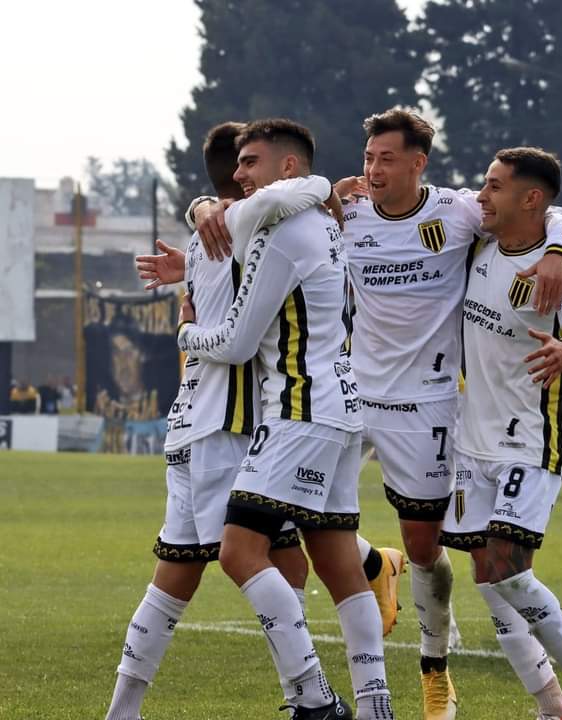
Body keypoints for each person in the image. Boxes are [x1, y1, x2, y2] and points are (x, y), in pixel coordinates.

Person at [189, 108, 562, 720]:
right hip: (347, 394)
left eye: (386, 159)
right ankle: (372, 574)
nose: (372, 169)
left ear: (418, 164)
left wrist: (557, 250)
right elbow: (254, 213)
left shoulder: (457, 213)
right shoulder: (344, 211)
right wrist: (203, 209)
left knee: (426, 548)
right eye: (368, 157)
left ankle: (435, 667)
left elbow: (547, 210)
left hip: (425, 406)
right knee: (285, 515)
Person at [104, 121, 334, 720]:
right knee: (276, 559)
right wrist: (325, 187)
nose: (247, 172)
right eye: (246, 161)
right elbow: (294, 198)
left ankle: (122, 710)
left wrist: (198, 217)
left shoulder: (208, 232)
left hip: (188, 423)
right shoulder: (246, 231)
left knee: (173, 580)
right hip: (229, 427)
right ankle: (312, 696)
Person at [178, 118, 394, 720]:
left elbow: (236, 342)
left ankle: (315, 698)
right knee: (339, 563)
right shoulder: (323, 221)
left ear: (288, 167)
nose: (238, 174)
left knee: (238, 551)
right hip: (341, 408)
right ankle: (375, 705)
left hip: (299, 410)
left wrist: (187, 330)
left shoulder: (283, 232)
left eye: (250, 162)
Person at [441, 147, 562, 720]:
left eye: (494, 186)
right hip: (473, 439)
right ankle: (552, 706)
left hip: (534, 436)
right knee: (489, 579)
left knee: (508, 567)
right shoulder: (479, 247)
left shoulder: (558, 269)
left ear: (530, 198)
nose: (482, 196)